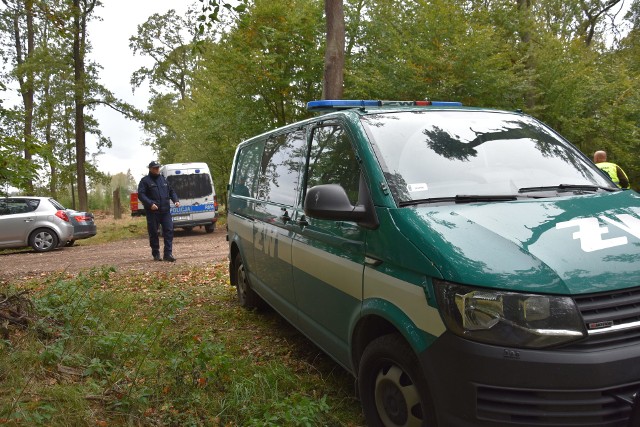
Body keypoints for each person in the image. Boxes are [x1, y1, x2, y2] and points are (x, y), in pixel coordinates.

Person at [137, 161, 180, 261]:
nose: (157, 169)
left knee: (169, 231)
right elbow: (141, 194)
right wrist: (150, 204)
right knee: (154, 232)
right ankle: (156, 253)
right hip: (153, 212)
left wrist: (176, 200)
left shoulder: (163, 180)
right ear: (150, 169)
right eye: (155, 168)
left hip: (165, 211)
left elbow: (171, 191)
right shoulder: (145, 181)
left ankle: (168, 254)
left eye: (158, 168)